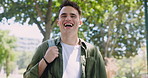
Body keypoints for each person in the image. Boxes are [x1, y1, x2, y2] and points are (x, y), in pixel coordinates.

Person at [23, 1, 107, 78]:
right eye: (63, 16)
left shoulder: (92, 52)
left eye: (73, 16)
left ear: (80, 23)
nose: (68, 18)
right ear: (58, 22)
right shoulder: (45, 47)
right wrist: (45, 60)